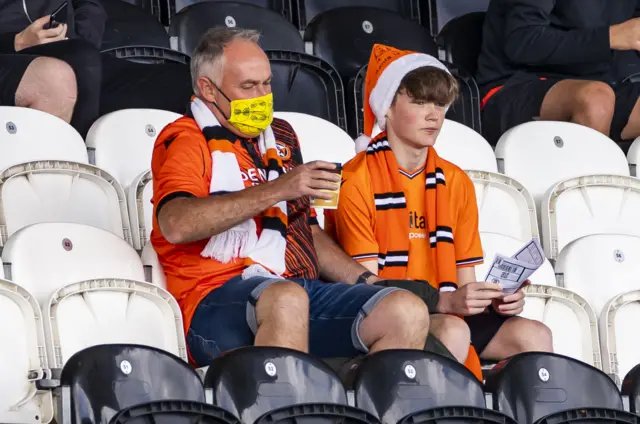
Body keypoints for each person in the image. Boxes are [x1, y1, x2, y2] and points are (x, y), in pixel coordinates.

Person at [150, 28, 431, 367]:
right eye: (248, 87)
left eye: (267, 84)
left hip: (294, 288)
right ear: (209, 89)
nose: (262, 96)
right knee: (287, 298)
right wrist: (282, 187)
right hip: (212, 301)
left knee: (405, 310)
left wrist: (369, 282)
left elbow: (307, 231)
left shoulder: (280, 135)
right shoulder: (184, 138)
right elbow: (177, 224)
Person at [326, 44, 554, 380]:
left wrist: (496, 299)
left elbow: (465, 280)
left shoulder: (456, 179)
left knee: (535, 335)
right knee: (452, 330)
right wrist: (447, 302)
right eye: (419, 102)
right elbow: (367, 288)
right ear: (386, 108)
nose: (434, 115)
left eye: (440, 104)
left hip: (444, 306)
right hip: (385, 310)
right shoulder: (353, 179)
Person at [0, 0, 191, 137]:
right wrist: (16, 42)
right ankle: (81, 172)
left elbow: (90, 7)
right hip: (10, 56)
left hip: (75, 53)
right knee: (79, 63)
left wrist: (79, 41)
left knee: (184, 81)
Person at [477, 0, 640, 144]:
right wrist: (609, 38)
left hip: (597, 84)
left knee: (600, 96)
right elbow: (523, 42)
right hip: (513, 85)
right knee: (596, 100)